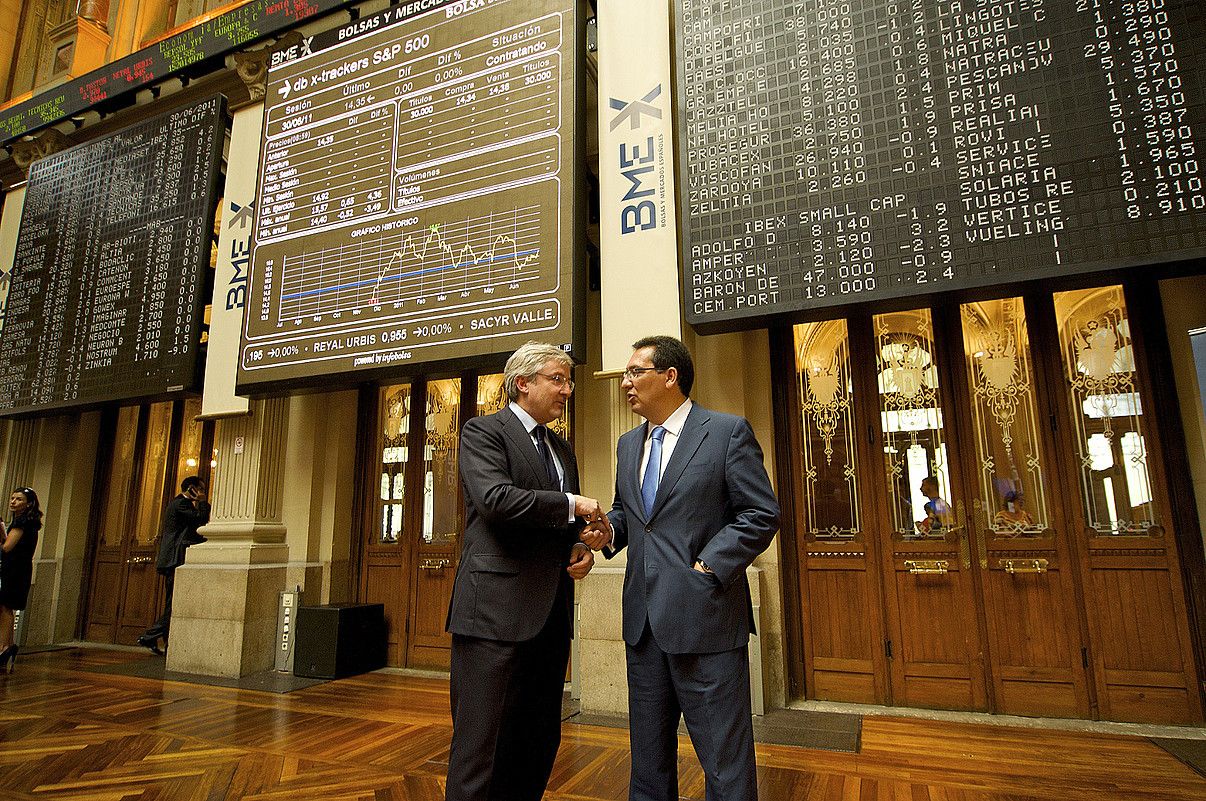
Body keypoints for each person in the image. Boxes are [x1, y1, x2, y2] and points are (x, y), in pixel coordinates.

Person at [601, 335, 780, 801]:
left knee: (724, 763)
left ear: (670, 376)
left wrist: (707, 566)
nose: (625, 383)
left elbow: (760, 513)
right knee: (648, 764)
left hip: (707, 621)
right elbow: (631, 511)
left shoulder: (725, 432)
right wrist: (608, 532)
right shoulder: (625, 445)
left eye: (635, 372)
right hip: (643, 627)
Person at [444, 341, 607, 801]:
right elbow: (496, 501)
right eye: (557, 379)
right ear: (523, 383)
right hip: (493, 616)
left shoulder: (561, 448)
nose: (567, 390)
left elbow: (555, 524)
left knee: (536, 741)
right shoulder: (483, 433)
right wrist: (572, 503)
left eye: (569, 380)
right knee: (481, 747)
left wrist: (579, 544)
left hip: (549, 618)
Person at [137, 476, 210, 654]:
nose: (202, 493)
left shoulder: (177, 504)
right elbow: (199, 520)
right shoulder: (181, 504)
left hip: (173, 559)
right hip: (175, 559)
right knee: (173, 604)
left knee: (173, 602)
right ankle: (149, 636)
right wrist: (202, 502)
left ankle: (164, 642)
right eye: (200, 489)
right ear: (191, 488)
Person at [0, 487, 43, 674]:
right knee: (6, 605)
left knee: (5, 606)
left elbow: (7, 547)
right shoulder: (30, 522)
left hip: (14, 568)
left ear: (28, 503)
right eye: (12, 498)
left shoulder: (22, 522)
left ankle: (4, 647)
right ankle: (7, 645)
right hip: (20, 568)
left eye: (18, 499)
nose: (13, 502)